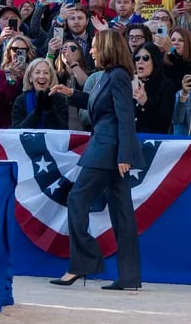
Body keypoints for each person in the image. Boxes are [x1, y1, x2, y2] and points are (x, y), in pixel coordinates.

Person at [49, 29, 144, 291]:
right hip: (109, 152)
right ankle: (129, 277)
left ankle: (83, 263)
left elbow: (125, 117)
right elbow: (98, 103)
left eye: (93, 46)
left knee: (77, 199)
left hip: (108, 152)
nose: (90, 50)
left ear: (106, 48)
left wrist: (125, 155)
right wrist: (71, 93)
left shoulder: (119, 76)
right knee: (122, 214)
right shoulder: (109, 76)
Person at [11, 58, 69, 130]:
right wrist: (37, 112)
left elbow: (63, 131)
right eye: (37, 72)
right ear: (30, 78)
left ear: (50, 78)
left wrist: (49, 109)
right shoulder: (20, 100)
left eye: (46, 73)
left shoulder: (60, 99)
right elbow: (16, 131)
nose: (42, 76)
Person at [132, 42, 176, 134]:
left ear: (155, 61)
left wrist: (145, 103)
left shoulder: (166, 85)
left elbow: (164, 122)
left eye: (145, 58)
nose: (140, 61)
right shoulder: (130, 83)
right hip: (130, 141)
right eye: (137, 58)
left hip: (154, 142)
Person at [0, 36, 36, 129]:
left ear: (28, 52)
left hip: (30, 121)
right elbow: (4, 100)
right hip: (7, 123)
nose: (18, 53)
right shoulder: (1, 74)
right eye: (14, 49)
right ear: (9, 52)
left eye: (23, 50)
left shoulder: (34, 73)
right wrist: (12, 77)